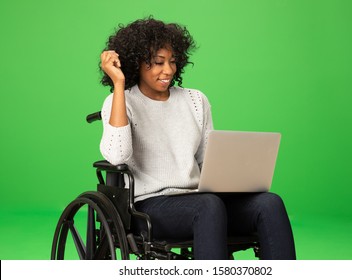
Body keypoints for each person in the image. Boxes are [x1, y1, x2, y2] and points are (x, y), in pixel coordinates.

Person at [99, 17, 296, 260]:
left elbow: (208, 161)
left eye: (172, 62)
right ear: (136, 63)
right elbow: (117, 155)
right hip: (150, 206)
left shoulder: (195, 100)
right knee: (209, 206)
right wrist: (118, 84)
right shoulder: (122, 102)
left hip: (201, 200)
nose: (168, 70)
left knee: (269, 203)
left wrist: (232, 181)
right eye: (158, 62)